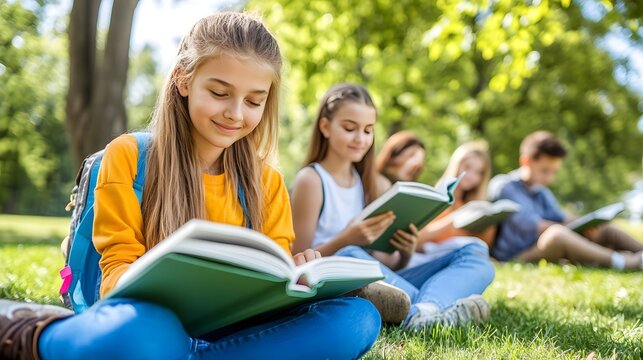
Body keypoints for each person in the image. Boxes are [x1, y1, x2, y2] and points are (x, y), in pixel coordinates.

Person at [0, 13, 380, 360]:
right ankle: (35, 335)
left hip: (233, 326)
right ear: (183, 80)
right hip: (146, 321)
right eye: (219, 93)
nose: (235, 113)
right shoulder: (130, 156)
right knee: (146, 333)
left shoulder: (268, 181)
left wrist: (294, 277)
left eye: (254, 101)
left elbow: (273, 277)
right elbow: (113, 277)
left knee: (358, 318)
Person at [290, 85, 491, 330]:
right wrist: (346, 239)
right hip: (337, 275)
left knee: (474, 253)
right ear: (325, 127)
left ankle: (424, 312)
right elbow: (299, 264)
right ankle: (432, 311)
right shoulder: (312, 180)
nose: (360, 139)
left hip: (376, 275)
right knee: (351, 254)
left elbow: (386, 262)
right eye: (349, 128)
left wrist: (405, 250)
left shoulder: (369, 182)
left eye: (368, 131)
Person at [489, 130, 643, 269]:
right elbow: (534, 225)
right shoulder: (504, 185)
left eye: (554, 172)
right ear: (526, 161)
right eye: (544, 171)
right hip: (518, 254)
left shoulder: (541, 191)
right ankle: (625, 262)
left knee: (605, 229)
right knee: (557, 234)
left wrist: (589, 223)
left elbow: (562, 217)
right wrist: (573, 227)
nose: (549, 178)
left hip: (543, 244)